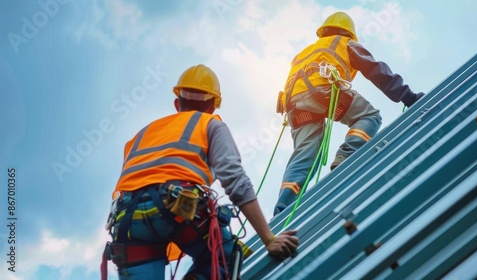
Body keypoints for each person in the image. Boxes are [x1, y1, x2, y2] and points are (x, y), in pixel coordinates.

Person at [103, 64, 299, 279]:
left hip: (127, 219)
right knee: (226, 257)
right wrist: (269, 239)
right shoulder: (210, 124)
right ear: (214, 105)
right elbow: (234, 179)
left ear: (177, 103)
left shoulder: (140, 135)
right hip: (176, 206)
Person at [273, 12, 425, 215]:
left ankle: (283, 207)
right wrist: (409, 97)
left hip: (294, 105)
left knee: (304, 157)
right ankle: (345, 158)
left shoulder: (305, 52)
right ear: (349, 33)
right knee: (369, 117)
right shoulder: (344, 43)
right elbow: (376, 71)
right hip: (322, 91)